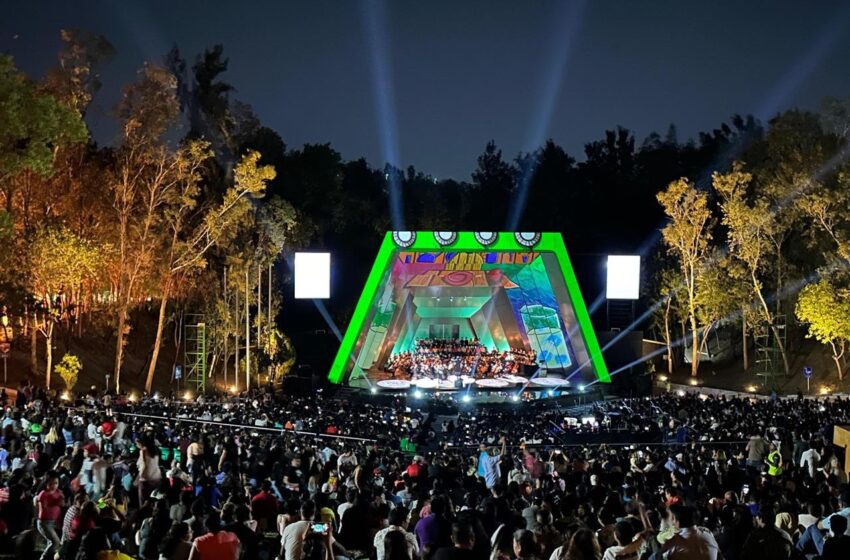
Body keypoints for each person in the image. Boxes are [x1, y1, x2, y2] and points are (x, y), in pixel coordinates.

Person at [35, 472, 63, 560]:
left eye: (56, 483)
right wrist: (56, 502)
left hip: (53, 522)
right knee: (56, 542)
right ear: (46, 483)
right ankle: (43, 558)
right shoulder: (43, 494)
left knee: (51, 542)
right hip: (44, 523)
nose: (54, 486)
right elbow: (44, 508)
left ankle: (48, 557)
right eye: (51, 483)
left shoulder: (58, 492)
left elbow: (61, 505)